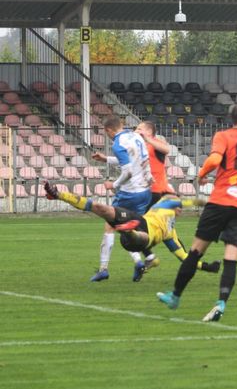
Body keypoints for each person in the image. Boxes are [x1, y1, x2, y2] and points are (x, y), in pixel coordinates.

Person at [157, 104, 237, 322]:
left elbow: (215, 160)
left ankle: (175, 296)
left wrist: (202, 174)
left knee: (196, 251)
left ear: (232, 119)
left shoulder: (223, 136)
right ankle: (221, 303)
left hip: (220, 201)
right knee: (232, 255)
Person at [43, 181, 221, 274]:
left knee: (142, 238)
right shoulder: (166, 203)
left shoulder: (171, 235)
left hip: (138, 238)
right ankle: (58, 194)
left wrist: (206, 266)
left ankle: (128, 230)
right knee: (101, 208)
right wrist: (205, 203)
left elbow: (184, 258)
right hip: (139, 222)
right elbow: (186, 201)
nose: (179, 207)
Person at [91, 115, 152, 283]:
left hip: (129, 193)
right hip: (144, 191)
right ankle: (142, 260)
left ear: (109, 130)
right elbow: (139, 160)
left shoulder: (118, 144)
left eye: (107, 134)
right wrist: (105, 159)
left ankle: (103, 269)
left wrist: (114, 184)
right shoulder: (136, 137)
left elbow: (128, 171)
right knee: (128, 228)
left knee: (110, 225)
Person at [135, 121, 173, 209]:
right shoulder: (141, 145)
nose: (136, 131)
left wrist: (147, 138)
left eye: (139, 129)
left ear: (149, 131)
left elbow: (166, 150)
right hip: (143, 189)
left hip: (155, 189)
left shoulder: (156, 143)